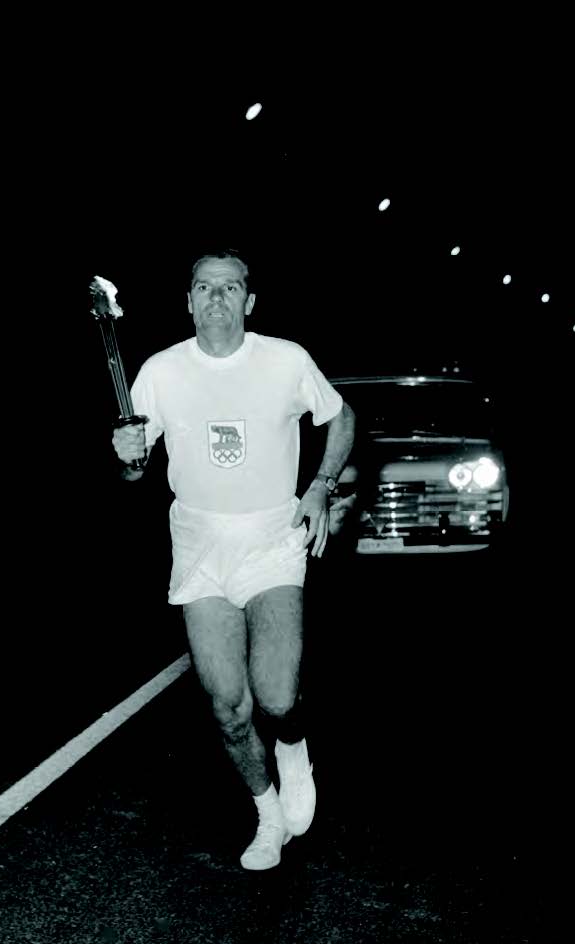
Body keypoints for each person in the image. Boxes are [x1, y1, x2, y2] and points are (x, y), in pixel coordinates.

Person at [111, 252, 355, 870]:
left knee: (276, 696)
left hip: (272, 538)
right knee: (228, 706)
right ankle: (267, 816)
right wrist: (127, 453)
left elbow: (341, 416)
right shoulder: (161, 370)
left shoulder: (285, 360)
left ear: (249, 301)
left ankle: (293, 746)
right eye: (204, 286)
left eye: (230, 287)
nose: (216, 297)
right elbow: (134, 471)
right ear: (188, 302)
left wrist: (321, 485)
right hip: (199, 546)